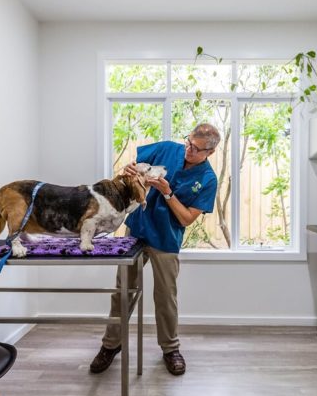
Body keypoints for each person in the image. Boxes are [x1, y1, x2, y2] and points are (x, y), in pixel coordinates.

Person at [90, 123, 221, 375]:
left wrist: (168, 193)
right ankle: (110, 345)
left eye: (196, 149)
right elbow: (129, 174)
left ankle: (170, 349)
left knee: (165, 297)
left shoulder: (208, 179)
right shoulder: (165, 149)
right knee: (122, 292)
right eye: (188, 142)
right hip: (137, 230)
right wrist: (127, 170)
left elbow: (185, 219)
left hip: (166, 239)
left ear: (210, 153)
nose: (188, 150)